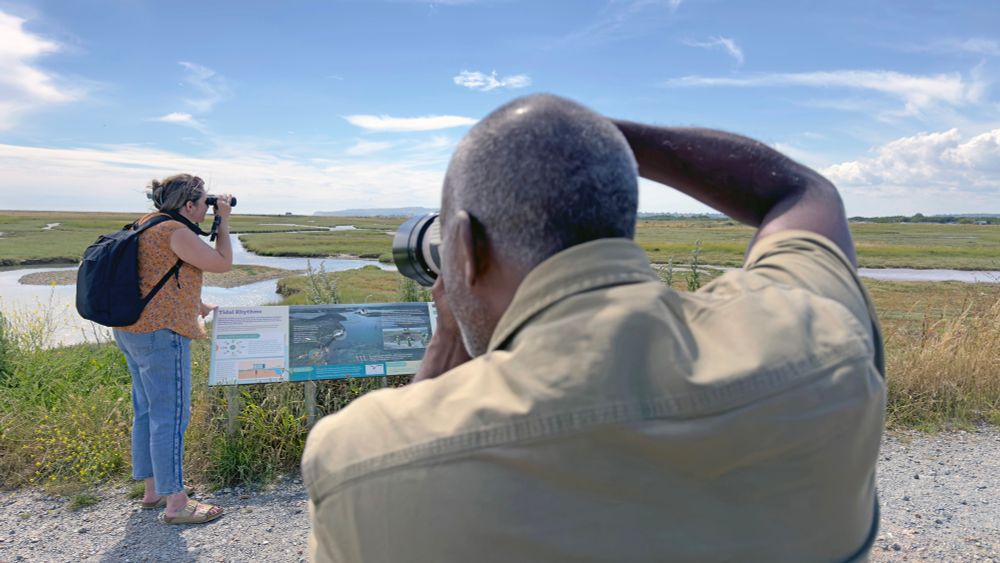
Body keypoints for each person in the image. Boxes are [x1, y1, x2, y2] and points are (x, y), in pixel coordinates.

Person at [302, 94, 885, 562]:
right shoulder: (820, 338)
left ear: (461, 247)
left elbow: (414, 450)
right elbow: (802, 191)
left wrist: (446, 343)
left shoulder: (365, 457)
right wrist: (590, 136)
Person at [113, 173, 233, 524]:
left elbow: (159, 275)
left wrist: (198, 305)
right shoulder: (175, 232)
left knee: (148, 411)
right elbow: (222, 263)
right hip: (162, 335)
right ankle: (177, 503)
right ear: (190, 204)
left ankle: (154, 490)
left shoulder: (147, 223)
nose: (207, 208)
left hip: (133, 330)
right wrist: (222, 222)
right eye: (205, 202)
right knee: (171, 414)